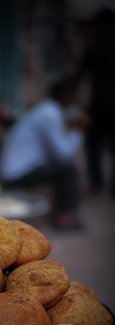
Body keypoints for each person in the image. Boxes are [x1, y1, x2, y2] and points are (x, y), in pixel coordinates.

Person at [0, 77, 89, 230]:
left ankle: (60, 213)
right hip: (16, 174)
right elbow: (63, 154)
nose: (78, 99)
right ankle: (64, 218)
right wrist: (78, 131)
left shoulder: (47, 110)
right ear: (67, 95)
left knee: (63, 168)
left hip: (17, 170)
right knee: (68, 169)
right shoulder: (50, 114)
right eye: (76, 94)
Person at [79, 8, 115, 196]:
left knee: (93, 147)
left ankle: (96, 183)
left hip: (98, 107)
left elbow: (81, 74)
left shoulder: (95, 44)